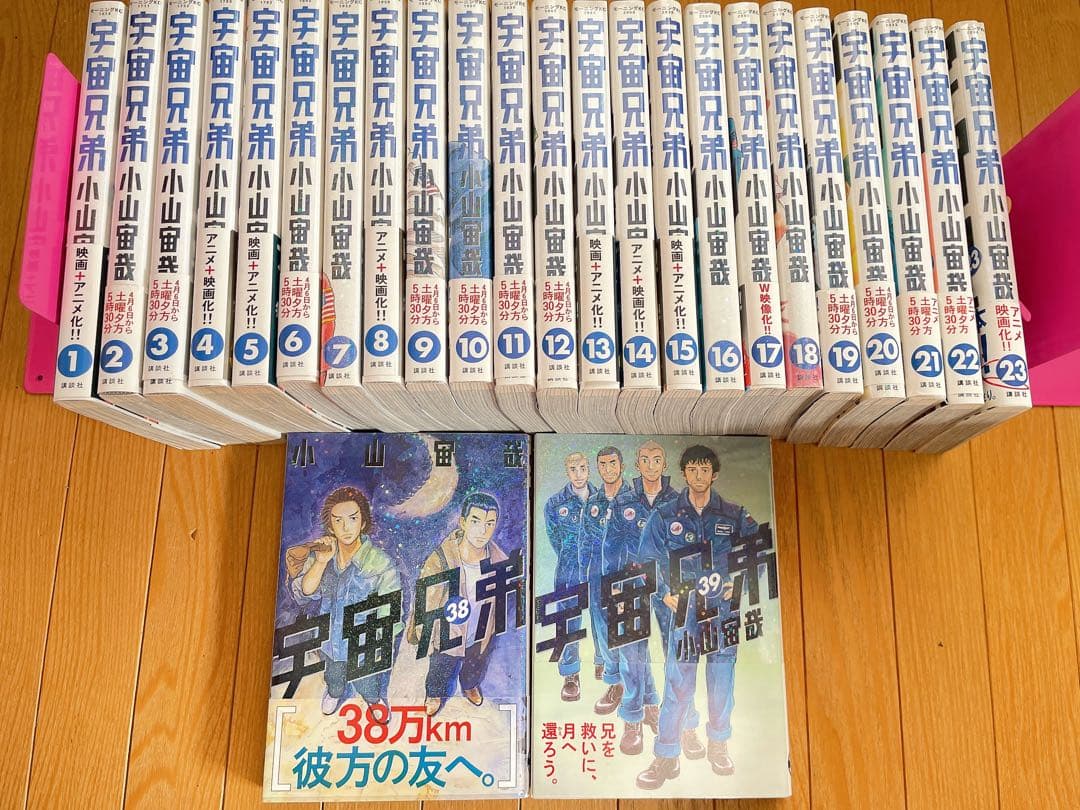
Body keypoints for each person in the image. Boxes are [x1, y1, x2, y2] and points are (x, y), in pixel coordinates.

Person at [636, 445, 757, 788]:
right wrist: (663, 592)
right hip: (685, 609)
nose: (698, 476)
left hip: (722, 610)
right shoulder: (665, 516)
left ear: (714, 474)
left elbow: (757, 549)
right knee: (678, 682)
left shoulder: (733, 514)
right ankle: (666, 754)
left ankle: (718, 745)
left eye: (705, 470)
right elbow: (646, 558)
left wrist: (741, 581)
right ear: (684, 473)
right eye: (692, 470)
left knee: (721, 681)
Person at [600, 441, 702, 757]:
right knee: (632, 655)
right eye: (645, 460)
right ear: (637, 464)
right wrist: (613, 588)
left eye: (657, 460)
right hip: (632, 583)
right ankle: (634, 718)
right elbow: (611, 547)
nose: (651, 465)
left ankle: (686, 724)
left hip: (670, 587)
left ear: (664, 464)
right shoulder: (624, 502)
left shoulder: (679, 502)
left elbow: (692, 548)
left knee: (680, 653)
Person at [287, 486, 403, 716]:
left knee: (368, 682)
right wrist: (321, 562)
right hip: (332, 641)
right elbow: (304, 592)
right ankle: (334, 692)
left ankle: (374, 700)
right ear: (330, 526)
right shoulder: (323, 555)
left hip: (365, 642)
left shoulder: (380, 563)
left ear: (363, 521)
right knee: (334, 678)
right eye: (338, 521)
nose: (346, 527)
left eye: (352, 519)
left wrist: (377, 646)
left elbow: (390, 611)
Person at [407, 492, 508, 717]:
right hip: (448, 630)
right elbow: (426, 599)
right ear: (463, 522)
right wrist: (426, 633)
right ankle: (434, 694)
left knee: (476, 662)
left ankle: (470, 685)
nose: (483, 531)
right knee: (441, 666)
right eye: (476, 521)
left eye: (490, 523)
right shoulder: (441, 559)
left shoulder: (498, 559)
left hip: (480, 628)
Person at [543, 452, 597, 701]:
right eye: (573, 469)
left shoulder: (603, 498)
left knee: (606, 617)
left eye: (583, 468)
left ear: (589, 469)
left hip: (599, 567)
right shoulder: (555, 504)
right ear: (567, 472)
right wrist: (571, 557)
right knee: (568, 621)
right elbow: (555, 538)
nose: (578, 474)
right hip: (569, 569)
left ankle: (607, 667)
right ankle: (571, 675)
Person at [580, 446, 630, 716]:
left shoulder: (634, 500)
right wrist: (583, 573)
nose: (608, 469)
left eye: (613, 463)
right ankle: (614, 680)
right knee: (601, 625)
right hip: (598, 574)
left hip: (626, 573)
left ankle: (628, 684)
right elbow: (585, 541)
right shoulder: (593, 503)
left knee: (625, 628)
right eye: (603, 464)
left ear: (622, 465)